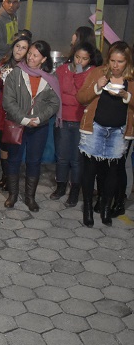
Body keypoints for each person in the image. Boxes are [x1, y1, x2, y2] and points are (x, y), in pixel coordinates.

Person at [76, 41, 134, 226]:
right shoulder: (98, 73)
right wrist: (97, 87)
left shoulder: (131, 79)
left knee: (112, 172)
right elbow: (81, 97)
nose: (115, 65)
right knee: (90, 169)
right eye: (112, 61)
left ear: (127, 62)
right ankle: (87, 209)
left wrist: (126, 96)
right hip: (95, 128)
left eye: (120, 62)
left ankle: (106, 208)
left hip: (118, 132)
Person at [2, 40, 61, 212]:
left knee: (34, 162)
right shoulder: (16, 73)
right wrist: (24, 119)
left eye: (35, 55)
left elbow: (54, 103)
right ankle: (12, 195)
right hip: (17, 125)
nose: (30, 58)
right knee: (14, 159)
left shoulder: (50, 78)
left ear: (44, 59)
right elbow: (8, 101)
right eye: (29, 54)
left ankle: (30, 197)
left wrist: (39, 118)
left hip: (39, 126)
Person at [52, 41, 100, 206]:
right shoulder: (62, 70)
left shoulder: (92, 73)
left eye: (84, 59)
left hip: (81, 120)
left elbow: (83, 96)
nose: (79, 61)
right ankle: (61, 186)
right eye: (77, 57)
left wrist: (79, 74)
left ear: (90, 59)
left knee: (77, 159)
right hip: (62, 118)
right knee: (62, 156)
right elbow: (56, 92)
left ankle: (74, 191)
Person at [0, 35, 31, 191]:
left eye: (23, 48)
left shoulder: (28, 67)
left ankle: (12, 177)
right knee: (3, 145)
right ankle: (5, 175)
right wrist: (1, 77)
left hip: (18, 111)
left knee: (14, 145)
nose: (19, 50)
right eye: (17, 46)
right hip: (2, 111)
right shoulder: (4, 63)